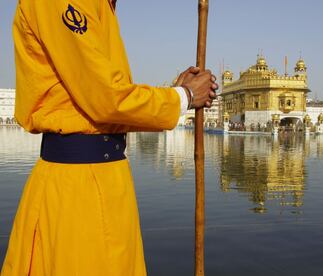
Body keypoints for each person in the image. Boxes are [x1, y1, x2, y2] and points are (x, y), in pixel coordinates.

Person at [1, 0, 218, 275]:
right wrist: (183, 97)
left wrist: (177, 95)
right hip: (77, 190)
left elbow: (105, 108)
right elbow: (106, 98)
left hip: (107, 179)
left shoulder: (101, 7)